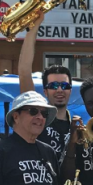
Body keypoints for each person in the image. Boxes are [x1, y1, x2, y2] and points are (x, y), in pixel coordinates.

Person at [18, 24, 74, 164]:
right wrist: (33, 29)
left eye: (65, 86)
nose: (60, 90)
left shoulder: (76, 126)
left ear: (70, 90)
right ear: (45, 91)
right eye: (54, 86)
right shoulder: (38, 117)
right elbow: (24, 71)